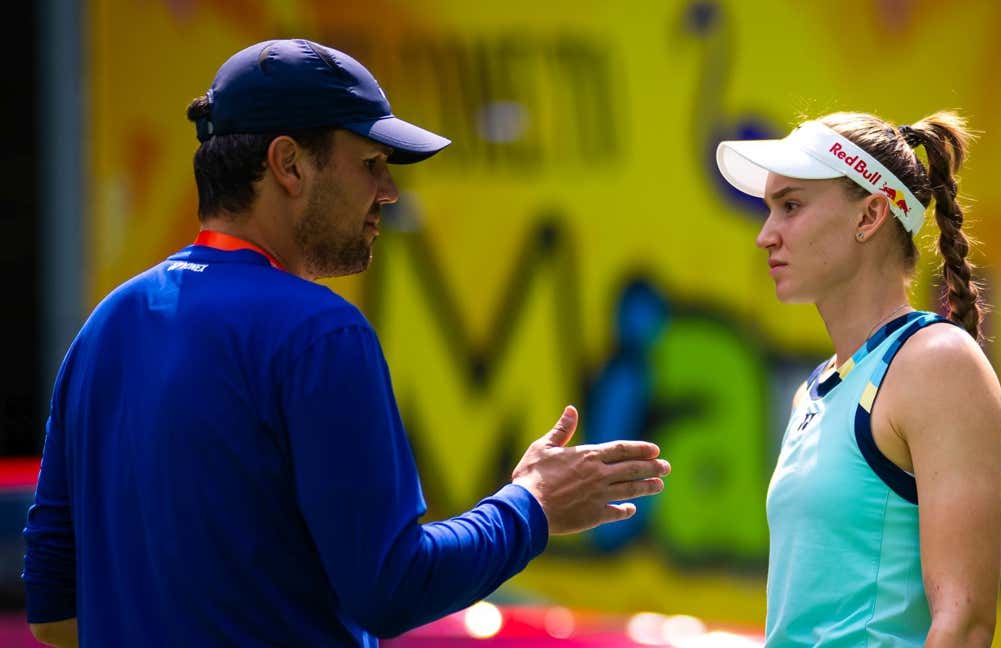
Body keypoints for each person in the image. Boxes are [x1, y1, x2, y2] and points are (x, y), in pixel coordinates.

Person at [22, 39, 670, 648]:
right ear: (288, 165)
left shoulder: (105, 327)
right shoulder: (319, 333)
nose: (387, 192)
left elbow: (53, 612)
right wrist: (529, 505)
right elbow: (390, 587)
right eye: (371, 164)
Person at [716, 111, 1001, 647]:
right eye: (769, 210)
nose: (765, 236)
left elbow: (964, 626)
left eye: (791, 207)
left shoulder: (938, 362)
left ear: (870, 216)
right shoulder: (818, 386)